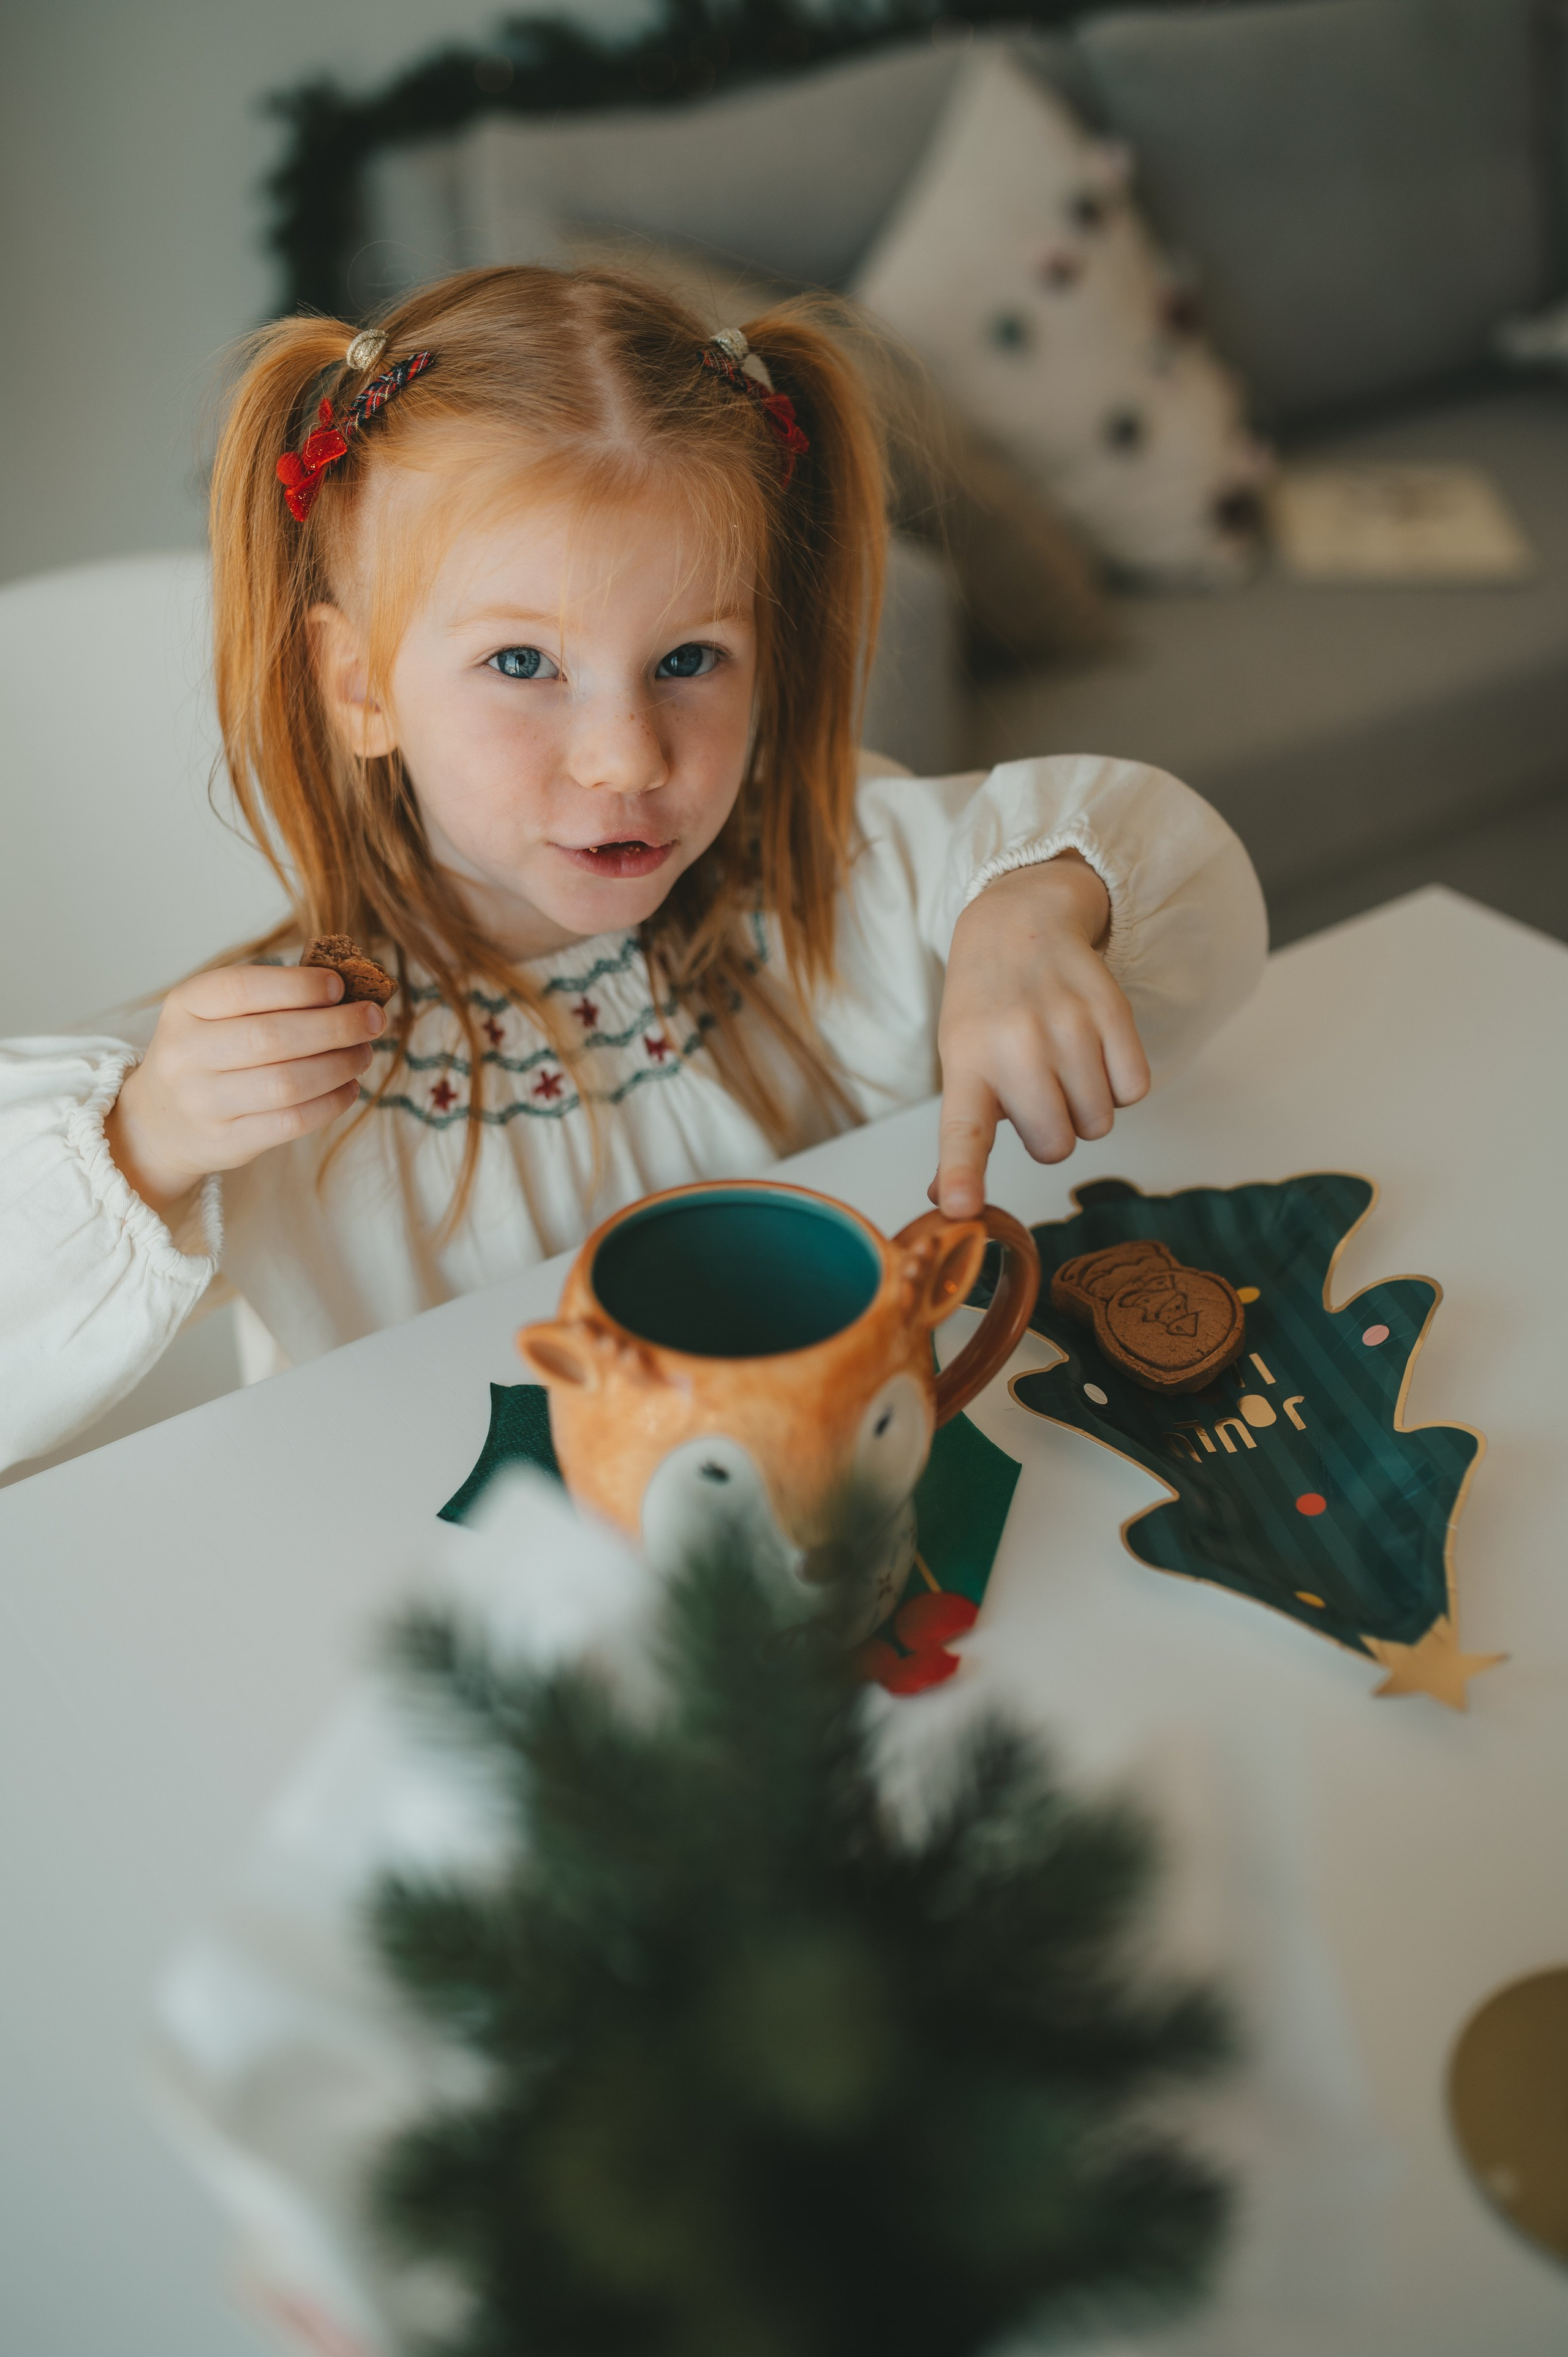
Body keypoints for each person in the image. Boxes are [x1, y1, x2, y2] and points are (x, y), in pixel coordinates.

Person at [0, 266, 1265, 1476]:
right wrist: (150, 1135)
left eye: (687, 660)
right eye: (520, 664)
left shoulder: (833, 883)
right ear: (359, 684)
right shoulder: (276, 1070)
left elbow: (1153, 860)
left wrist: (1034, 910)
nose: (624, 758)